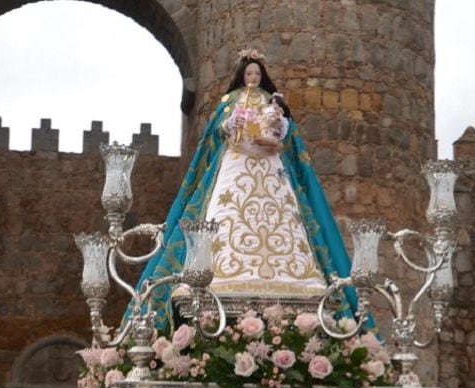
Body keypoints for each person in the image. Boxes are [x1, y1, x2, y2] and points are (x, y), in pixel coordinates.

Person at [135, 49, 359, 326]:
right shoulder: (230, 100)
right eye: (248, 73)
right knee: (223, 215)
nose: (252, 78)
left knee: (284, 217)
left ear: (262, 76)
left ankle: (291, 275)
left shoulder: (272, 101)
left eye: (256, 74)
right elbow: (217, 131)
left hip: (270, 167)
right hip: (236, 164)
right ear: (242, 76)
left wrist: (278, 126)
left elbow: (285, 132)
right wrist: (231, 124)